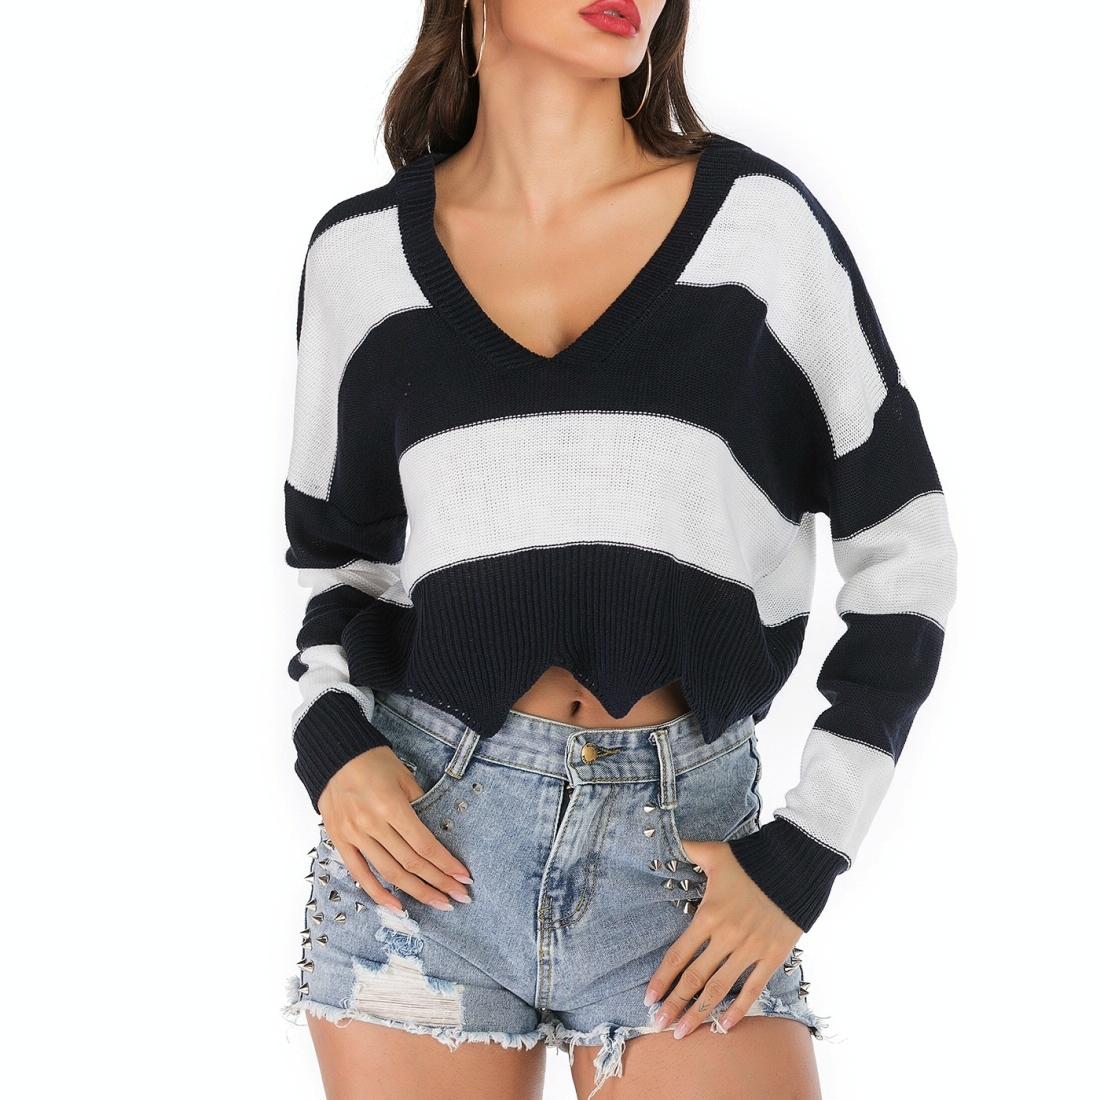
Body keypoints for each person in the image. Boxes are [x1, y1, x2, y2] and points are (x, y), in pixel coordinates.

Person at [279, 2, 959, 1097]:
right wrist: (331, 742)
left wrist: (806, 851)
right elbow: (334, 559)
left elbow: (906, 549)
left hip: (685, 861)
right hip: (423, 842)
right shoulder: (359, 258)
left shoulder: (760, 232)